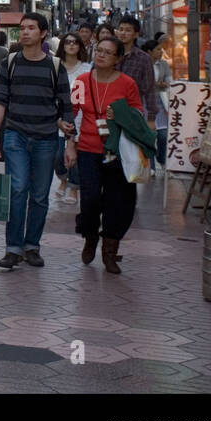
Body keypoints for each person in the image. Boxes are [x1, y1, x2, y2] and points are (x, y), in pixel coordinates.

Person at [0, 12, 75, 269]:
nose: (25, 32)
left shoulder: (54, 66)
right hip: (15, 134)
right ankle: (13, 248)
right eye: (22, 28)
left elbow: (65, 106)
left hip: (46, 138)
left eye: (31, 28)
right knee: (17, 188)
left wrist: (70, 141)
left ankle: (32, 246)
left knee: (39, 195)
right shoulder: (10, 62)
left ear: (43, 33)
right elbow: (0, 100)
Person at [64, 36, 143, 274]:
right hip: (88, 148)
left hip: (117, 151)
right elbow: (71, 114)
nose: (101, 55)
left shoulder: (127, 83)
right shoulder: (82, 80)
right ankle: (90, 237)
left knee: (118, 202)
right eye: (99, 50)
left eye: (108, 53)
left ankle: (110, 249)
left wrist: (120, 114)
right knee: (89, 201)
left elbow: (137, 112)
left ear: (117, 59)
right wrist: (70, 144)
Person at [52, 33, 91, 204]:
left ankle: (74, 187)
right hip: (58, 119)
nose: (71, 45)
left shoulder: (87, 69)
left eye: (75, 42)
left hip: (82, 119)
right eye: (67, 42)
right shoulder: (55, 67)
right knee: (58, 156)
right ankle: (63, 179)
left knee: (76, 156)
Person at [115, 15, 160, 132]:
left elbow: (149, 89)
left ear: (136, 34)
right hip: (108, 112)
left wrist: (151, 119)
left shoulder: (143, 58)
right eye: (121, 29)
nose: (123, 33)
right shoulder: (109, 54)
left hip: (133, 113)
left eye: (128, 30)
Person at [146, 37, 171, 174]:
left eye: (161, 49)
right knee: (150, 135)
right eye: (158, 50)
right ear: (149, 51)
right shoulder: (143, 64)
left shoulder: (163, 65)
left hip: (160, 103)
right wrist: (154, 84)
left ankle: (161, 158)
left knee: (163, 134)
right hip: (146, 103)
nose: (161, 52)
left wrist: (165, 84)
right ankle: (151, 166)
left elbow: (169, 79)